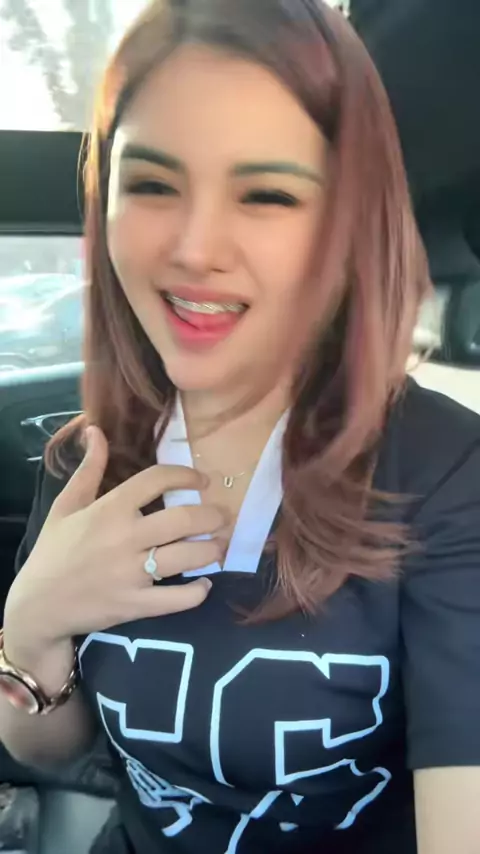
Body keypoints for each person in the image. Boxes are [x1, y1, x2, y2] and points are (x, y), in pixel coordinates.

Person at [1, 1, 479, 852]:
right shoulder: (89, 457)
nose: (194, 247)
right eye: (152, 185)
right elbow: (53, 749)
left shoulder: (444, 471)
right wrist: (30, 628)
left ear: (346, 225)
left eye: (266, 195)